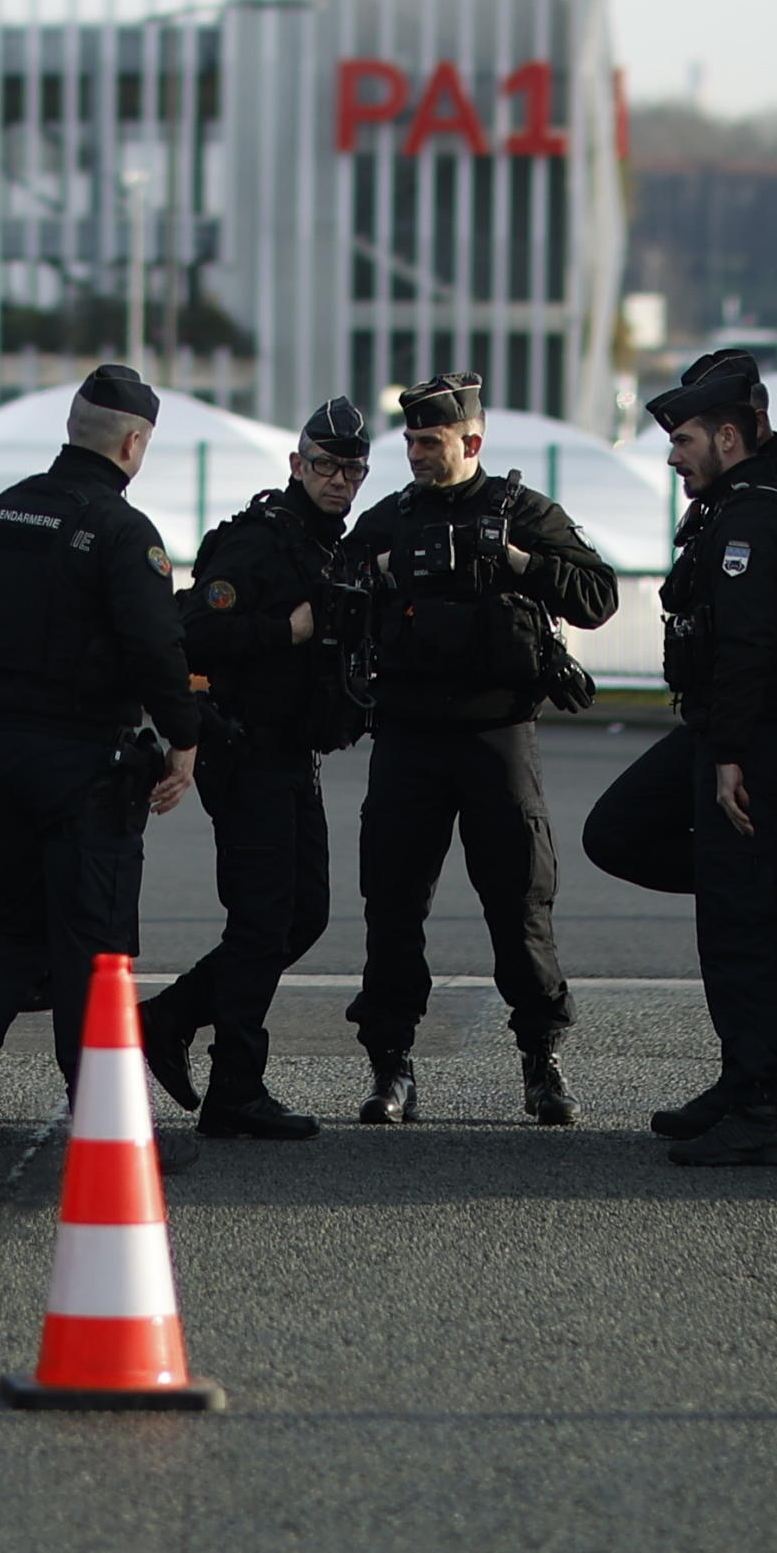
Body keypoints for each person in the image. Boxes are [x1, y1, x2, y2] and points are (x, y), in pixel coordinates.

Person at [588, 348, 777, 1165]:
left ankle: (763, 1106)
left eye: (684, 439)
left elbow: (747, 641)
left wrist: (730, 752)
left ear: (729, 433)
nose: (674, 455)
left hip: (750, 739)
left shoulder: (753, 515)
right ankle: (766, 1086)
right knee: (624, 835)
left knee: (739, 922)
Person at [0, 361, 200, 1170]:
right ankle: (113, 1127)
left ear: (74, 427)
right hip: (85, 763)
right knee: (92, 950)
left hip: (0, 750)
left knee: (7, 932)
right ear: (134, 443)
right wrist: (184, 735)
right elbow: (153, 645)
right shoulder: (119, 530)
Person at [333, 372, 618, 1125]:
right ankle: (391, 1064)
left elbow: (597, 596)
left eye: (431, 441)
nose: (417, 453)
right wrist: (384, 574)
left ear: (473, 440)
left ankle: (541, 1057)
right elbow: (337, 587)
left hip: (497, 734)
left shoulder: (520, 511)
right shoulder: (391, 518)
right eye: (412, 440)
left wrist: (519, 560)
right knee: (391, 903)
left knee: (519, 899)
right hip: (409, 737)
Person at [141, 397, 377, 1141]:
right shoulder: (258, 542)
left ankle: (170, 1016)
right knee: (264, 917)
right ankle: (235, 1086)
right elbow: (192, 631)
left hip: (292, 752)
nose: (339, 479)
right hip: (245, 752)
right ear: (297, 465)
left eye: (352, 468)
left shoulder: (328, 546)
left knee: (302, 913)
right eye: (325, 465)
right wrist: (287, 627)